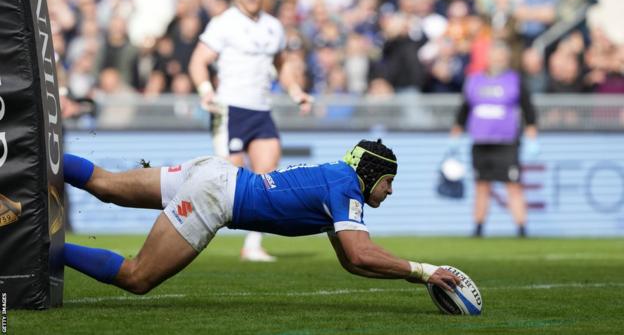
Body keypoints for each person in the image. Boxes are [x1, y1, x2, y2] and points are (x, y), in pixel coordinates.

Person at [61, 139, 461, 296]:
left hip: (215, 173)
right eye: (388, 182)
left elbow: (350, 262)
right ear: (371, 174)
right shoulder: (345, 189)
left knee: (106, 184)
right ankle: (44, 250)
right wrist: (424, 271)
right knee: (137, 278)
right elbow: (359, 255)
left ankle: (35, 160)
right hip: (215, 195)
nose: (389, 191)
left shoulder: (337, 181)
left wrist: (413, 276)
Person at [188, 0, 313, 261]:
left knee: (268, 178)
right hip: (230, 108)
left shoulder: (273, 26)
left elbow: (282, 65)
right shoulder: (224, 23)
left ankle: (252, 245)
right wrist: (206, 90)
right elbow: (198, 61)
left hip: (261, 110)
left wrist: (295, 91)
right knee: (228, 182)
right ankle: (188, 231)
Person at [450, 41, 539, 238]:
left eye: (501, 56)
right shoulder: (474, 80)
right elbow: (464, 110)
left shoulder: (514, 80)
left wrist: (532, 136)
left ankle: (522, 228)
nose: (497, 60)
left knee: (513, 185)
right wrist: (455, 136)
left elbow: (528, 109)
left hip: (506, 142)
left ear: (506, 59)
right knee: (482, 185)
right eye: (494, 55)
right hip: (481, 142)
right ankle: (479, 227)